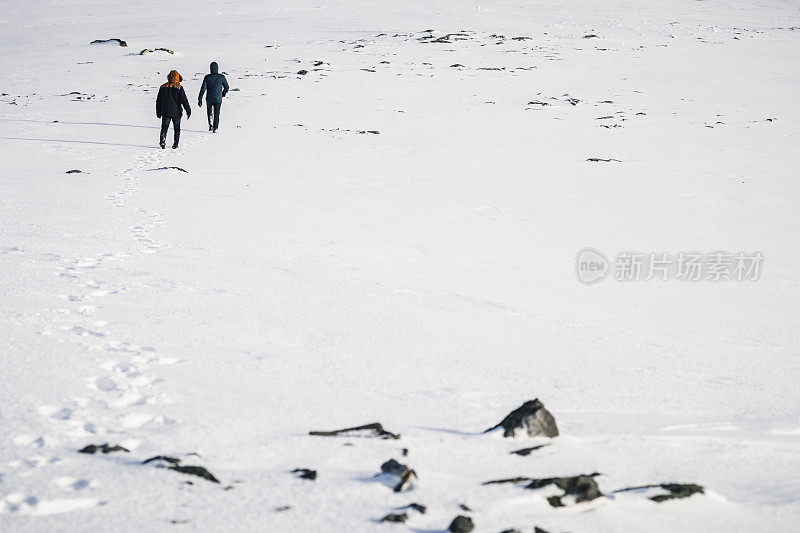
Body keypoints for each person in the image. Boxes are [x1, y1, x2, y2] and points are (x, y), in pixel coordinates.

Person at [155, 70, 191, 149]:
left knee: (164, 128)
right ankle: (175, 144)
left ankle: (162, 140)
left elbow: (158, 101)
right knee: (177, 129)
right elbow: (184, 101)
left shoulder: (163, 87)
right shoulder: (179, 87)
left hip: (165, 111)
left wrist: (158, 112)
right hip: (176, 112)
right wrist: (188, 111)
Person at [198, 62, 229, 133]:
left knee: (209, 111)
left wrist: (200, 99)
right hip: (218, 98)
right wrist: (223, 93)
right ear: (217, 68)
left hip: (209, 98)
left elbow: (203, 89)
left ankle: (210, 123)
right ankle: (215, 128)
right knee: (217, 113)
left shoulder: (207, 77)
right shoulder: (221, 77)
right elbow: (227, 87)